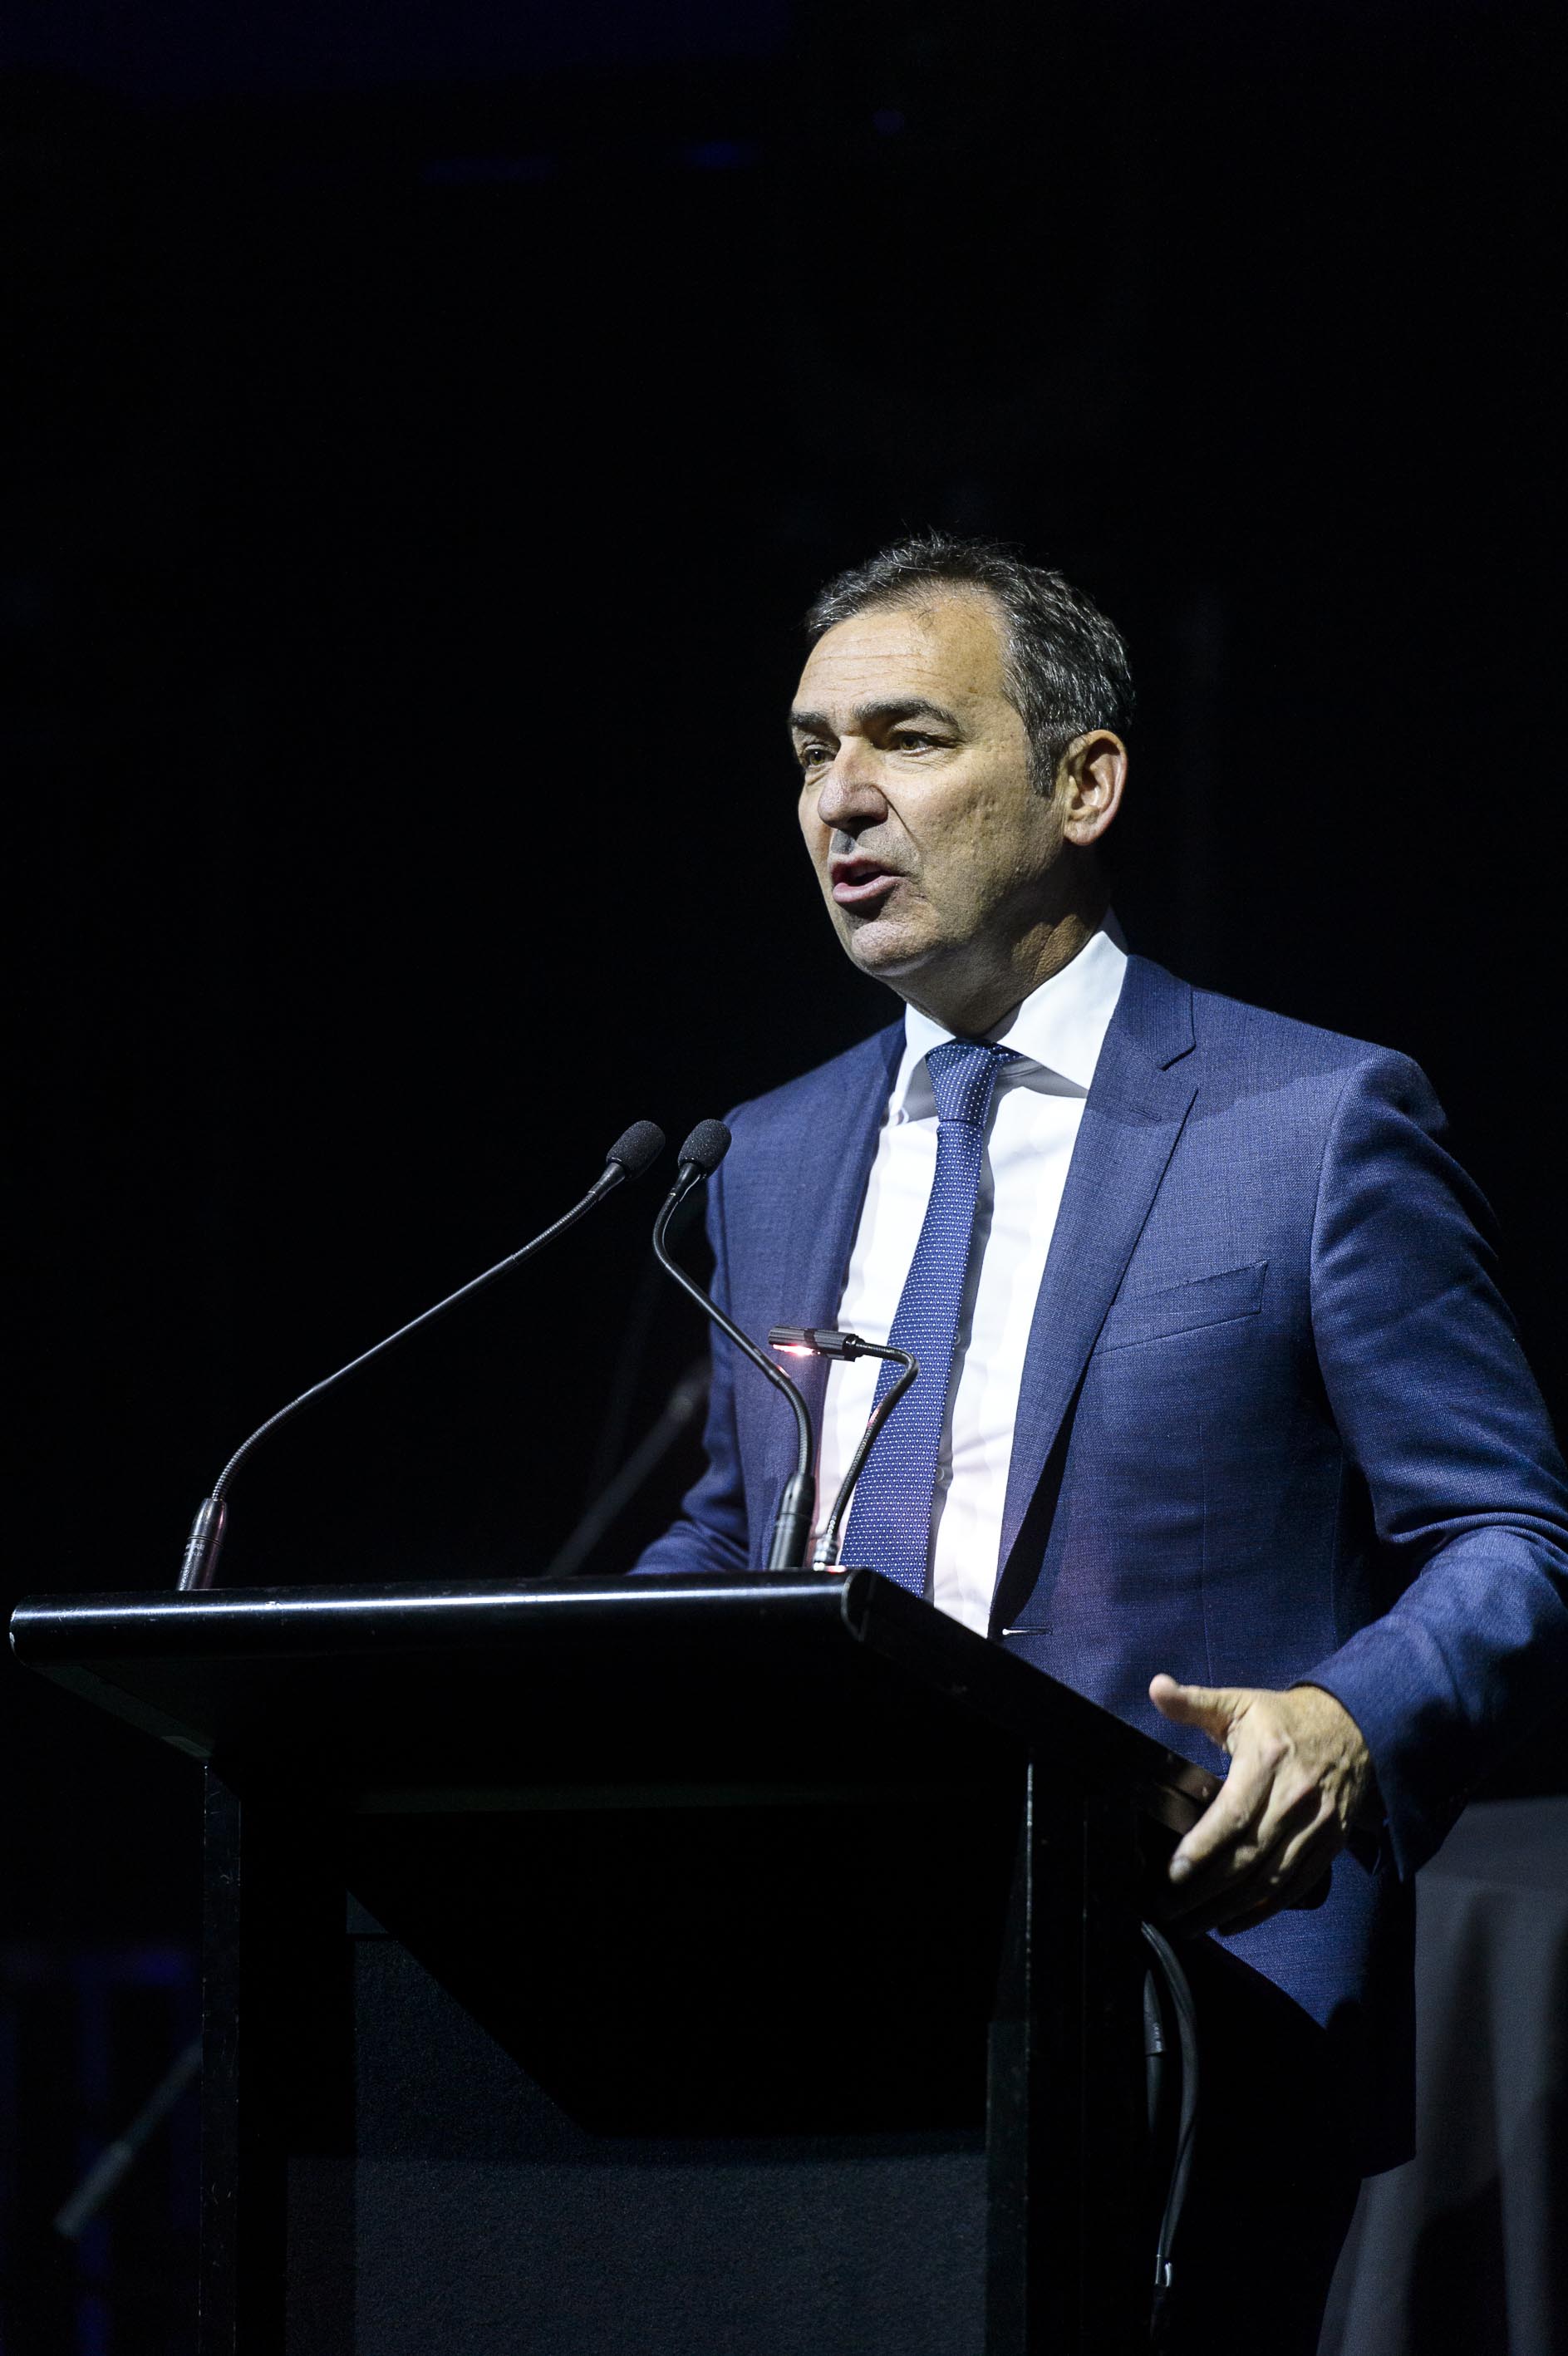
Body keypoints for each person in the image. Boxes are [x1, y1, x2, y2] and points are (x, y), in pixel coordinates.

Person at [634, 534, 1568, 2348]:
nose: (840, 799)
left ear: (1084, 783)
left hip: (1184, 2005)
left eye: (907, 738)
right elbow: (741, 1533)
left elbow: (1510, 1537)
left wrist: (1347, 1719)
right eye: (811, 752)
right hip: (816, 1996)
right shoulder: (762, 1155)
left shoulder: (1311, 1121)